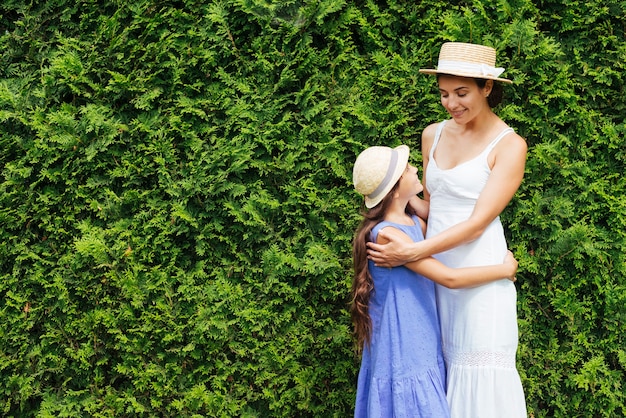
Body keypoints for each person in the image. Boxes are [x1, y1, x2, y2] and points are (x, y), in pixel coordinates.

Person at [366, 42, 528, 418]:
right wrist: (393, 207)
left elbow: (474, 225)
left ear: (487, 88)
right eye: (443, 94)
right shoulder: (432, 135)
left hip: (477, 268)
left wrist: (411, 254)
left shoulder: (510, 146)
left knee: (479, 367)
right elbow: (435, 206)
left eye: (461, 93)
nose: (451, 104)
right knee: (442, 366)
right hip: (435, 271)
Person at [351, 144, 518, 418]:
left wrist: (410, 200)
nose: (416, 168)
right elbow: (449, 278)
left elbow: (443, 218)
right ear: (394, 188)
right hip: (402, 342)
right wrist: (503, 270)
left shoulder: (414, 223)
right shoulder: (388, 236)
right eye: (406, 169)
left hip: (421, 337)